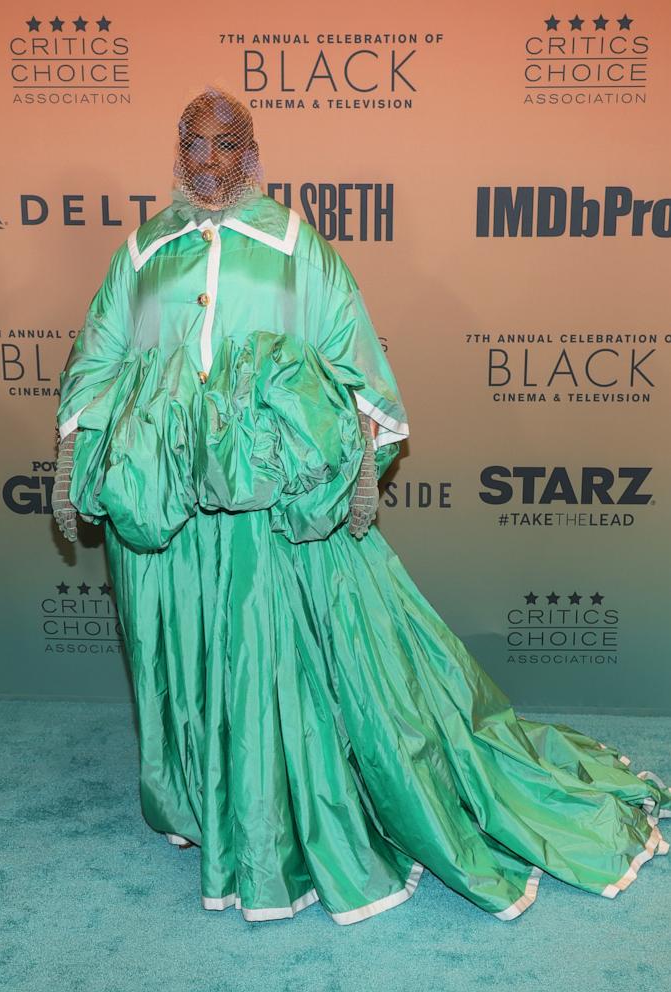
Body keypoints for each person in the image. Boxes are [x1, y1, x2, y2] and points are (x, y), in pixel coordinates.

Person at [51, 84, 671, 926]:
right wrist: (70, 459)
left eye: (225, 144)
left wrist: (362, 474)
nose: (208, 165)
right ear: (176, 153)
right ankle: (202, 803)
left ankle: (282, 821)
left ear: (253, 151)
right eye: (193, 146)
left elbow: (353, 367)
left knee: (268, 668)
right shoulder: (141, 253)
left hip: (266, 522)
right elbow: (98, 356)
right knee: (183, 664)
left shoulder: (300, 249)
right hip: (168, 526)